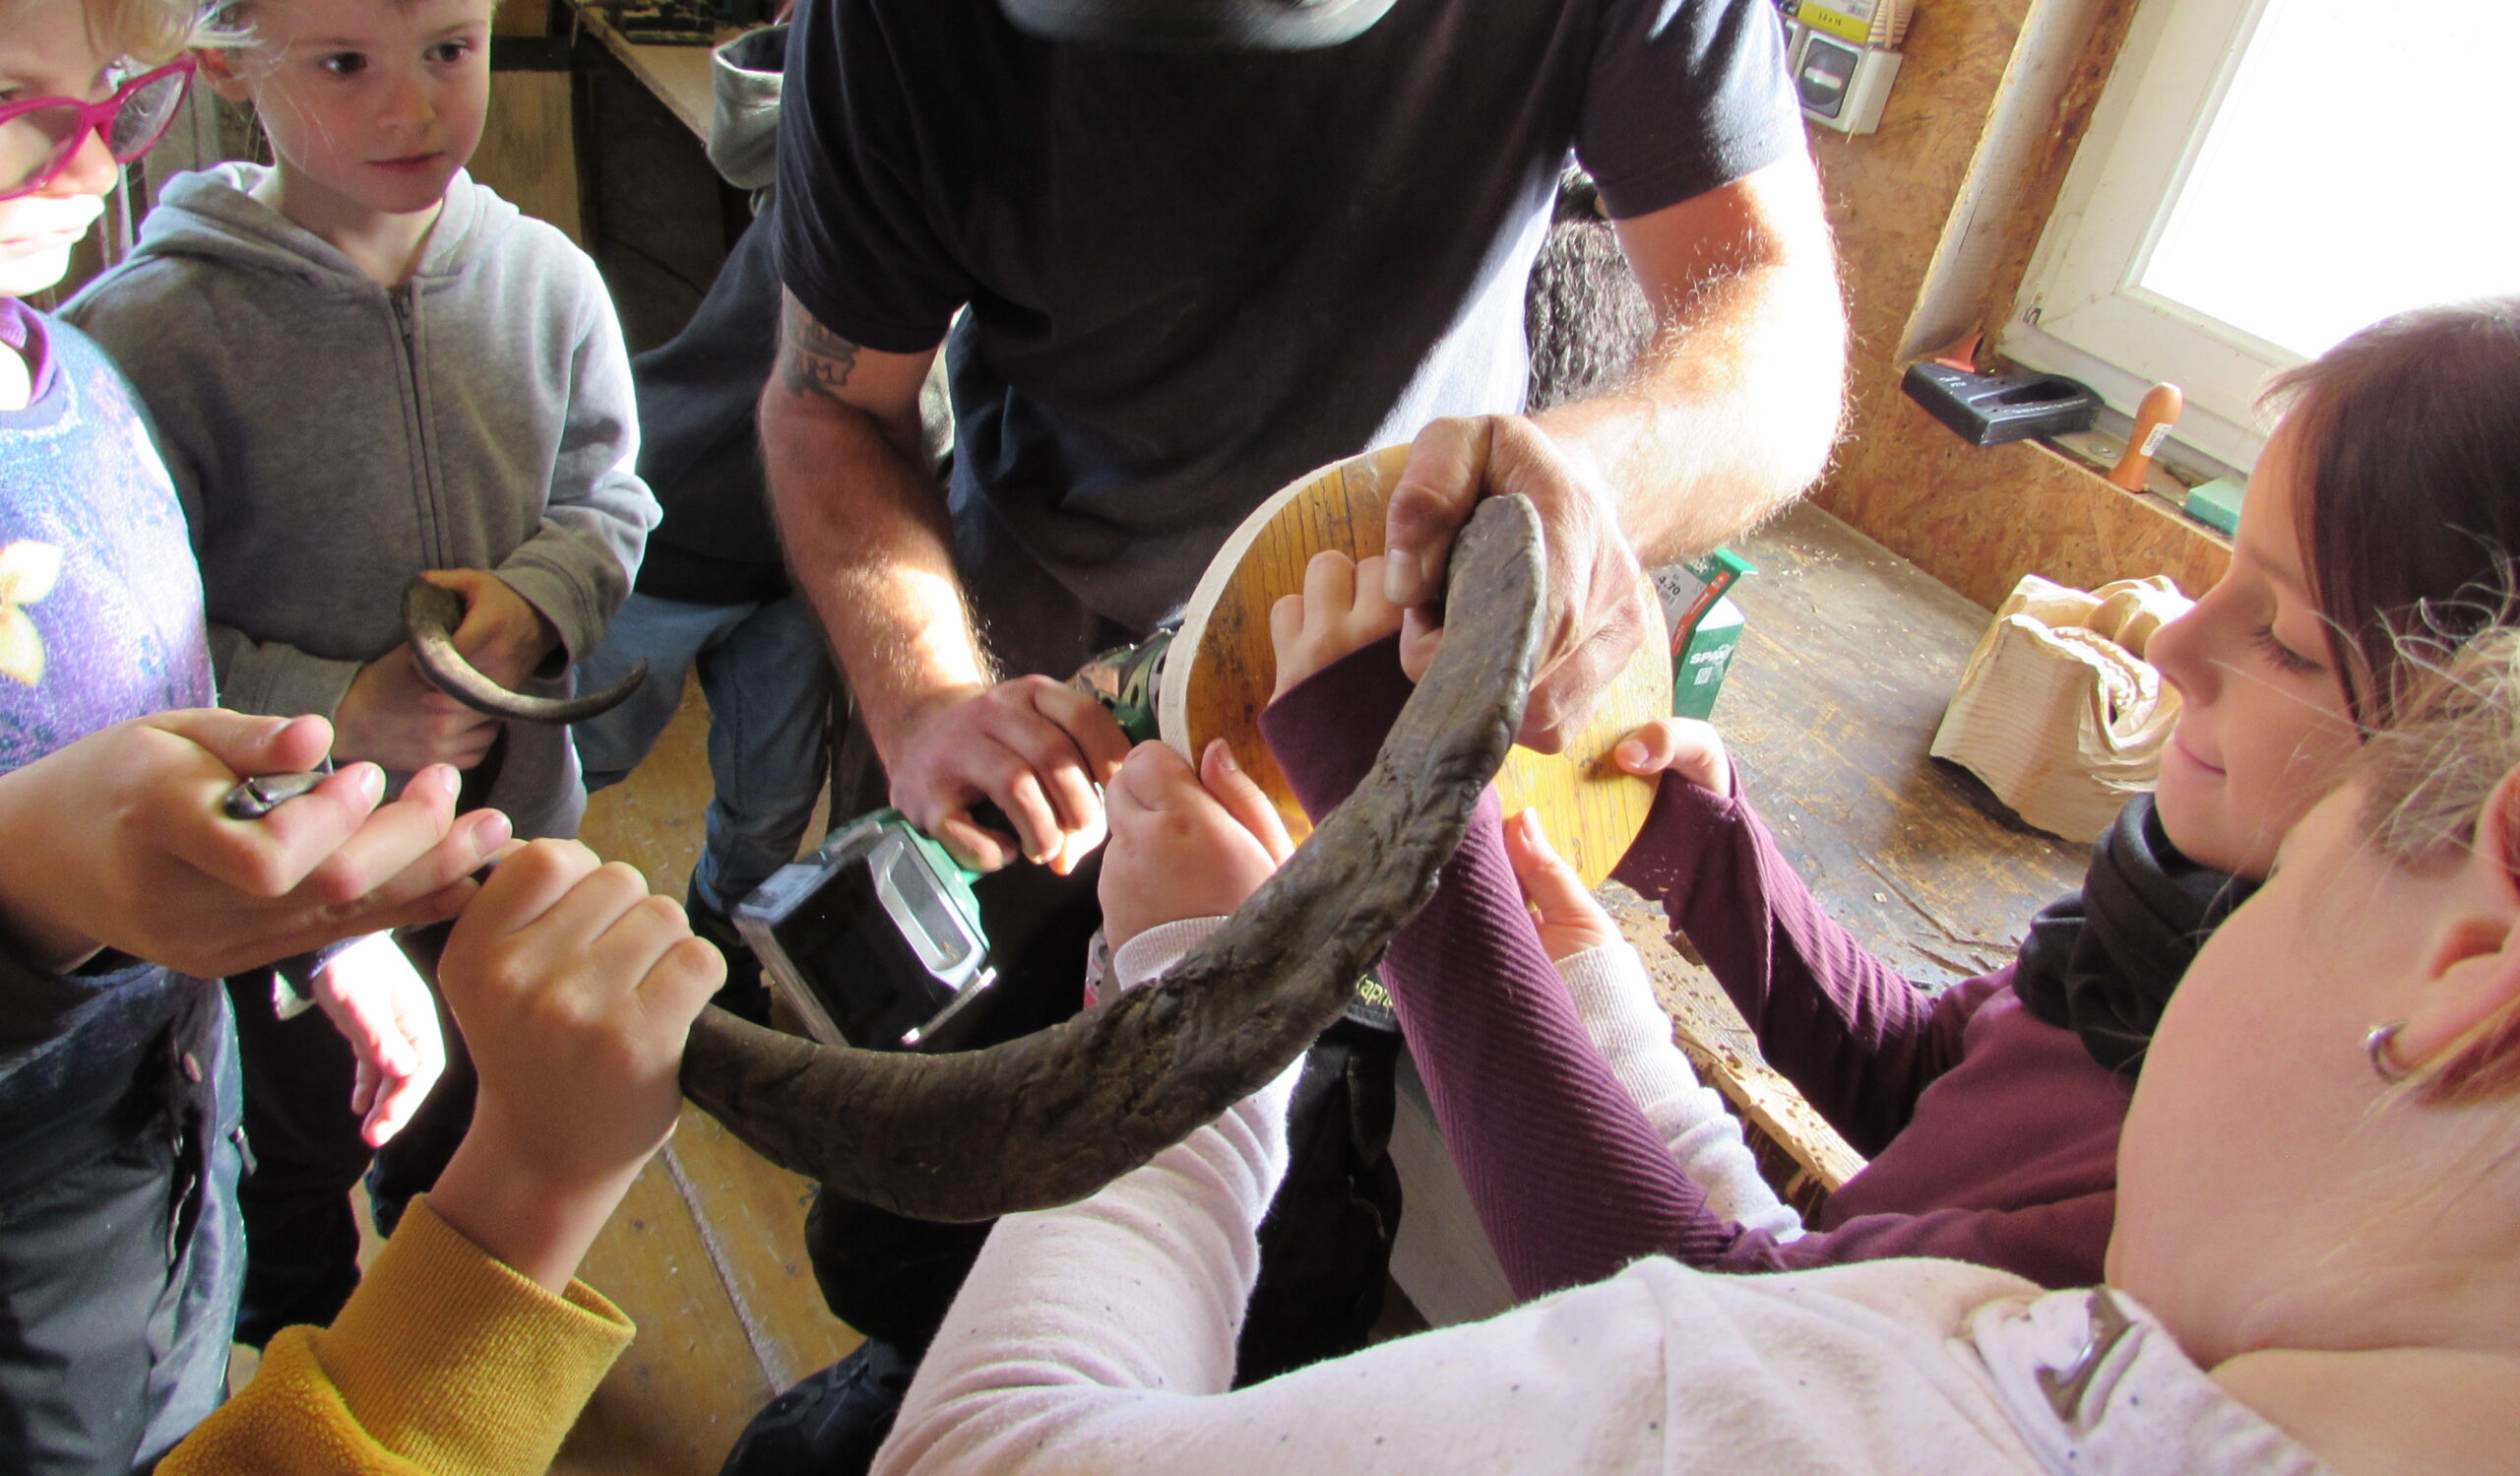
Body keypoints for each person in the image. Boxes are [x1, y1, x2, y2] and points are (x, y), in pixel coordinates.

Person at [754, 0, 1843, 1427]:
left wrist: (1584, 482)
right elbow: (823, 404)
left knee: (1273, 1263)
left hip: (1373, 715)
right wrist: (926, 694)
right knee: (923, 1225)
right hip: (1056, 725)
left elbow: (1772, 333)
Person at [868, 614, 2520, 1476]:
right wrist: (1619, 972)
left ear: (2475, 972)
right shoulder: (2139, 1281)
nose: (2173, 638)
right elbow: (1819, 1278)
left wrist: (1202, 996)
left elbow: (981, 1458)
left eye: (2297, 887)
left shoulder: (1942, 1380)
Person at [1250, 294, 2520, 1299]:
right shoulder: (2172, 921)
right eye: (2224, 574)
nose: (2176, 646)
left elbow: (1724, 1360)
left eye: (2287, 642)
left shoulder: (2235, 1181)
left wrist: (1408, 847)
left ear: (2469, 795)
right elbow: (1924, 1077)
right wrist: (1711, 852)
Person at [67, 0, 655, 1343]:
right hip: (272, 885)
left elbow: (610, 500)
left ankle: (445, 1365)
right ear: (225, 65)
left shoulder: (550, 286)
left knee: (475, 1146)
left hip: (503, 847)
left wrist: (535, 605)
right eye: (345, 62)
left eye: (449, 48)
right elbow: (125, 648)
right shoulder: (148, 338)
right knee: (287, 1175)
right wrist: (344, 707)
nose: (416, 106)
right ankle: (296, 1380)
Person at [0, 0, 505, 1472]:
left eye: (109, 100)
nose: (86, 160)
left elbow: (169, 725)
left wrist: (317, 928)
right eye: (15, 104)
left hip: (155, 1162)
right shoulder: (151, 332)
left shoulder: (71, 389)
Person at [573, 0, 921, 1022]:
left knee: (768, 809)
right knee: (573, 754)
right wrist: (817, 13)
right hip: (678, 516)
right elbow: (745, 134)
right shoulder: (838, 105)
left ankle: (712, 995)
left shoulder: (954, 119)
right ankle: (470, 967)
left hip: (801, 555)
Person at [159, 838, 724, 1476]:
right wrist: (536, 1175)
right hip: (126, 1322)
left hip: (160, 1234)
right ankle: (306, 1320)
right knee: (290, 1177)